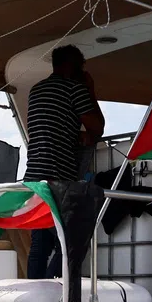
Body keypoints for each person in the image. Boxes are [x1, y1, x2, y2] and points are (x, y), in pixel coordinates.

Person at [23, 44, 105, 279]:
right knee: (67, 242)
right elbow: (97, 127)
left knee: (39, 245)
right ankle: (52, 287)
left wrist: (73, 133)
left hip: (34, 176)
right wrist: (90, 89)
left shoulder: (36, 90)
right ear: (73, 65)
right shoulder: (74, 89)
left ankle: (36, 291)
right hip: (59, 177)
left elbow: (50, 126)